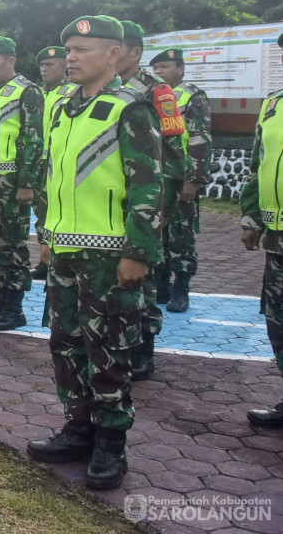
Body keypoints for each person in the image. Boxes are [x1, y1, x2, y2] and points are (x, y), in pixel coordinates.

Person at [28, 15, 161, 491]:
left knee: (108, 350)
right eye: (69, 50)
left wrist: (138, 251)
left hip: (110, 255)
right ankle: (78, 426)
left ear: (113, 54)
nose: (71, 57)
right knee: (65, 344)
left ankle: (111, 441)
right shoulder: (63, 106)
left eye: (83, 50)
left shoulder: (132, 108)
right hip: (64, 247)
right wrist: (46, 232)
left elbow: (148, 184)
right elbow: (54, 175)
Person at [116, 20, 184, 381]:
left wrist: (163, 207)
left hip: (148, 197)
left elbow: (172, 152)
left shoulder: (155, 91)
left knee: (145, 275)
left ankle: (144, 348)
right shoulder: (104, 91)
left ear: (134, 52)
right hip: (114, 198)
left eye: (118, 47)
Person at [0, 37, 44, 331]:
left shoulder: (27, 92)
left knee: (14, 243)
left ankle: (15, 307)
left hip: (12, 179)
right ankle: (0, 299)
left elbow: (33, 139)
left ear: (11, 61)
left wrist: (26, 182)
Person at [240, 36, 283, 427]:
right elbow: (259, 163)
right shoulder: (273, 104)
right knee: (278, 318)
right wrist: (251, 216)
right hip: (277, 233)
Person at [149, 48, 211, 314]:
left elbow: (200, 138)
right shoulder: (154, 95)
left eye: (165, 67)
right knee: (158, 232)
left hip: (181, 177)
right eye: (156, 69)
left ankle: (181, 288)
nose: (160, 72)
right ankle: (161, 285)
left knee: (181, 234)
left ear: (181, 69)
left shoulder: (192, 96)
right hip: (156, 176)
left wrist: (193, 180)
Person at [32, 46, 77, 280]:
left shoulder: (73, 93)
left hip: (59, 160)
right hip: (40, 160)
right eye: (42, 66)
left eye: (50, 65)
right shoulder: (39, 93)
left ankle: (58, 259)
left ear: (63, 67)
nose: (44, 69)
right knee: (42, 212)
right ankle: (44, 260)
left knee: (58, 210)